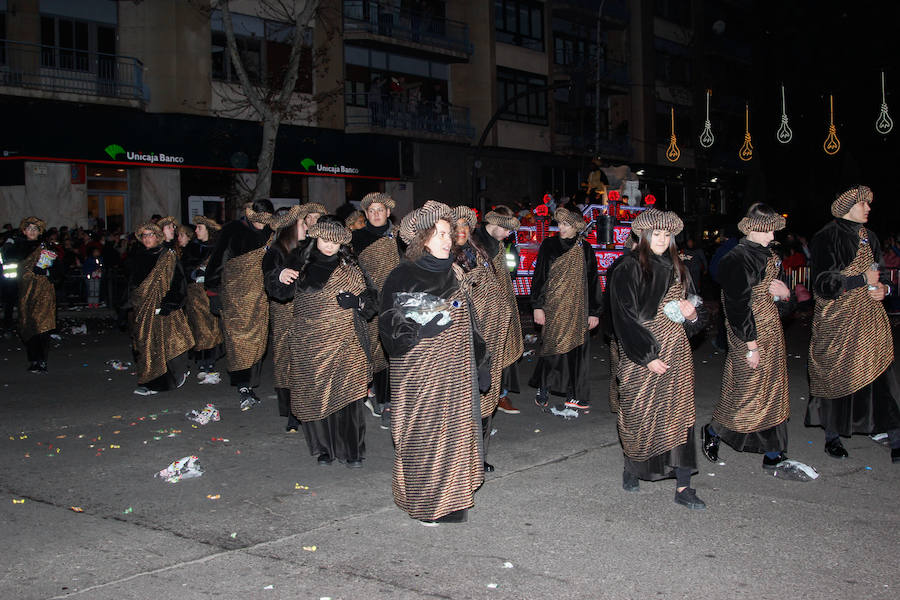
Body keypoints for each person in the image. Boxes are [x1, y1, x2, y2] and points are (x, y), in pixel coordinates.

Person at [380, 201, 488, 525]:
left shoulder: (455, 273)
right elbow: (388, 324)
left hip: (456, 374)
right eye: (438, 234)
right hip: (419, 377)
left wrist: (480, 363)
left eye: (448, 233)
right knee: (424, 436)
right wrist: (419, 329)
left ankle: (452, 501)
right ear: (423, 239)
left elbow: (471, 324)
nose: (446, 240)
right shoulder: (403, 274)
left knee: (454, 435)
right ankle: (427, 502)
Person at [703, 204, 816, 480]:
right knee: (746, 390)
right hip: (748, 335)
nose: (773, 233)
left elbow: (779, 303)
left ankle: (774, 453)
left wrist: (784, 295)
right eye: (768, 228)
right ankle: (714, 430)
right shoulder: (736, 259)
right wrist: (750, 345)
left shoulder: (770, 255)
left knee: (773, 391)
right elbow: (736, 308)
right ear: (752, 228)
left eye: (775, 227)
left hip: (772, 332)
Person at [609, 208, 707, 509]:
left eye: (667, 235)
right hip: (642, 350)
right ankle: (632, 465)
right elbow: (623, 317)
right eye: (656, 234)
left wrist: (693, 318)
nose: (662, 240)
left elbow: (693, 312)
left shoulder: (681, 268)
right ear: (642, 236)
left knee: (679, 416)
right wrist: (646, 355)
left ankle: (683, 486)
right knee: (639, 412)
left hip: (676, 349)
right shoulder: (627, 266)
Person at [266, 215, 377, 466]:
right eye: (325, 239)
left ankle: (352, 451)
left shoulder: (351, 265)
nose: (329, 245)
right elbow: (279, 292)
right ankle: (325, 449)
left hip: (345, 340)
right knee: (315, 394)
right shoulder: (299, 260)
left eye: (335, 242)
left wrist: (357, 302)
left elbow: (372, 298)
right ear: (316, 237)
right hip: (309, 340)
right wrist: (279, 275)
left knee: (348, 396)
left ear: (342, 244)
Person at [805, 185, 900, 464]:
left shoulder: (870, 236)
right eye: (863, 204)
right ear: (848, 206)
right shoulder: (827, 237)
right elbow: (822, 285)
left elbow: (880, 276)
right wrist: (860, 281)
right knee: (837, 378)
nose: (869, 208)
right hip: (837, 320)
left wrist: (886, 290)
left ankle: (893, 434)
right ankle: (832, 436)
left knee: (881, 376)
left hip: (870, 318)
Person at [453, 205, 511, 472]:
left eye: (467, 225)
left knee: (485, 395)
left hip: (489, 334)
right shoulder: (443, 258)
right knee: (462, 399)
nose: (462, 230)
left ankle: (479, 455)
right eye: (456, 226)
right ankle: (460, 456)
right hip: (460, 339)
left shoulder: (480, 252)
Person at [528, 207, 601, 410]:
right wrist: (537, 306)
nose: (560, 227)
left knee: (574, 352)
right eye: (559, 223)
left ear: (577, 226)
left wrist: (594, 311)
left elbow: (593, 281)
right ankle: (544, 386)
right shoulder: (549, 245)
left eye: (566, 224)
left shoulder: (585, 248)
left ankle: (573, 392)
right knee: (551, 349)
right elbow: (540, 277)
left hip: (578, 308)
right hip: (553, 307)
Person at [205, 199, 274, 410]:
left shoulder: (272, 233)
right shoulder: (233, 229)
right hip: (234, 296)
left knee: (257, 340)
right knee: (237, 340)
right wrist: (213, 292)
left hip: (260, 297)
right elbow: (218, 260)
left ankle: (250, 381)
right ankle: (243, 384)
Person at [263, 202, 326, 432]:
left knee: (306, 359)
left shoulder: (310, 246)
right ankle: (292, 410)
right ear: (291, 227)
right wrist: (279, 274)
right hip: (285, 312)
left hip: (306, 311)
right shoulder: (277, 250)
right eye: (302, 223)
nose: (306, 226)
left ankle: (305, 408)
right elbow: (268, 272)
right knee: (286, 358)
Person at [351, 192, 402, 426]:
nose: (376, 214)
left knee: (398, 352)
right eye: (371, 211)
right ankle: (382, 401)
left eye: (380, 210)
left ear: (388, 212)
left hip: (398, 303)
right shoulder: (355, 238)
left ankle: (397, 402)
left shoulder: (401, 237)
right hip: (371, 303)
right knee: (376, 353)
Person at [128, 222, 194, 395]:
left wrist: (169, 303)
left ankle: (160, 382)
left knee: (164, 344)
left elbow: (179, 282)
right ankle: (147, 380)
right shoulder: (138, 256)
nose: (147, 238)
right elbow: (132, 284)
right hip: (143, 310)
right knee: (144, 345)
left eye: (150, 235)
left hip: (162, 307)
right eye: (144, 235)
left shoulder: (168, 256)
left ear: (157, 237)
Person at [472, 206, 524, 415]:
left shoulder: (502, 244)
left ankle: (499, 395)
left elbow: (507, 272)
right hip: (482, 310)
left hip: (502, 306)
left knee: (502, 352)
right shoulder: (474, 242)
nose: (508, 234)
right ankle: (480, 403)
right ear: (494, 224)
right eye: (506, 229)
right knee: (483, 356)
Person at [11, 217, 58, 372]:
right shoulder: (16, 248)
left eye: (35, 229)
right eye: (29, 228)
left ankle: (42, 360)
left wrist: (47, 271)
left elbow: (58, 269)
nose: (32, 231)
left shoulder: (46, 248)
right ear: (24, 231)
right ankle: (33, 359)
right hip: (25, 292)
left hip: (43, 291)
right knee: (27, 324)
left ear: (40, 232)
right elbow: (9, 271)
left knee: (41, 325)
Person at [182, 215, 224, 384]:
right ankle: (201, 363)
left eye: (200, 228)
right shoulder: (192, 248)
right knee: (198, 328)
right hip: (195, 294)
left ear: (208, 230)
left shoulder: (216, 248)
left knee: (212, 328)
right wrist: (195, 272)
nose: (196, 231)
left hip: (210, 292)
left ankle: (210, 363)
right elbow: (184, 268)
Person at [600, 231, 638, 413]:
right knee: (625, 368)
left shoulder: (620, 264)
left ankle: (618, 404)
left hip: (616, 326)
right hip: (623, 327)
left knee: (619, 367)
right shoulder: (628, 266)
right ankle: (624, 405)